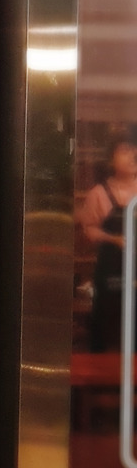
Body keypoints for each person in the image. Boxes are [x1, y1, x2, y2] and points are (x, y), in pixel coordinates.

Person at [80, 134, 137, 352]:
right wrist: (113, 239)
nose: (133, 155)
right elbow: (89, 229)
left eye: (135, 150)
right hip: (111, 270)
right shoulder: (98, 193)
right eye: (125, 150)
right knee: (107, 325)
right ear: (111, 159)